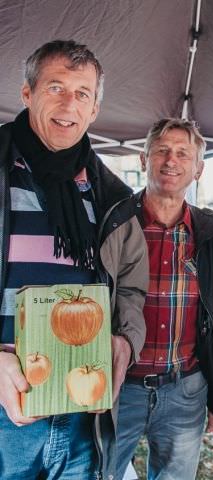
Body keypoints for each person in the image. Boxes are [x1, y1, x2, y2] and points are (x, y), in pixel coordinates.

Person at [0, 40, 148, 479]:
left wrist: (124, 342)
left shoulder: (111, 198)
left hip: (80, 407)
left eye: (83, 93)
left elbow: (132, 287)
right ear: (27, 94)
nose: (69, 104)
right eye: (56, 88)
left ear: (95, 110)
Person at [115, 118, 213, 480]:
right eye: (162, 150)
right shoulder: (115, 223)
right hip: (118, 387)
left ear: (198, 169)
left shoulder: (212, 231)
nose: (171, 160)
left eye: (184, 153)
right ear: (142, 159)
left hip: (185, 390)